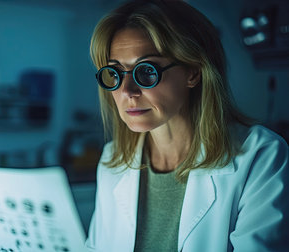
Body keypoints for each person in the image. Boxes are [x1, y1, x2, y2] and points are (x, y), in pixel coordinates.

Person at [85, 0, 289, 251]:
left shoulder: (261, 156)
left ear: (193, 71)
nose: (127, 91)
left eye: (147, 71)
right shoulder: (112, 160)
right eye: (115, 73)